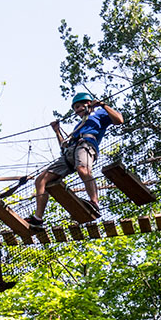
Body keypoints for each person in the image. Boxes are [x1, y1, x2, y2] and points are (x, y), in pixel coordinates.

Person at [26, 92, 124, 228]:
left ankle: (94, 202)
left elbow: (119, 120)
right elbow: (65, 146)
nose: (77, 110)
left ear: (88, 104)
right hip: (70, 153)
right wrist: (57, 132)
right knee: (40, 180)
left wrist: (103, 104)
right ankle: (38, 218)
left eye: (79, 106)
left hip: (86, 145)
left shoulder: (99, 114)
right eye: (75, 108)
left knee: (83, 169)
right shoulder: (78, 125)